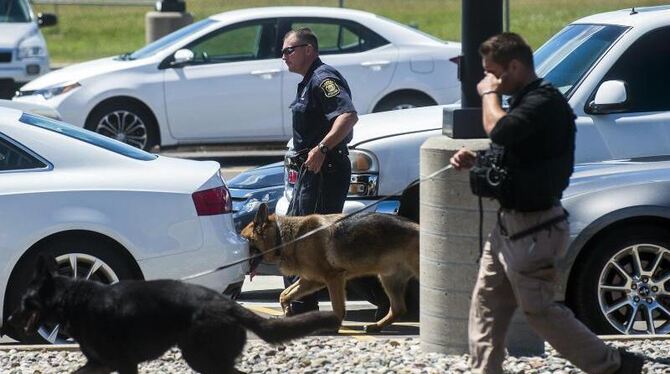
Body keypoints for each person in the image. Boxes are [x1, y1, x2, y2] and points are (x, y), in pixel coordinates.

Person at [450, 33, 643, 374]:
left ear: (514, 66)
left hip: (536, 228)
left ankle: (613, 365)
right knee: (486, 303)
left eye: (493, 73)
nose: (488, 80)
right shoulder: (526, 102)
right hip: (507, 227)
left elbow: (501, 130)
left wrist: (489, 94)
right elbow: (513, 153)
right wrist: (476, 162)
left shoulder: (544, 103)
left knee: (539, 309)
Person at [281, 28, 389, 316]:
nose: (284, 56)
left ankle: (306, 305)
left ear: (309, 50)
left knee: (313, 240)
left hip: (325, 170)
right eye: (283, 52)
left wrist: (322, 149)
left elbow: (348, 115)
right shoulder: (308, 82)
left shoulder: (323, 79)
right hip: (312, 172)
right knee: (306, 237)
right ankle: (302, 303)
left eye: (289, 50)